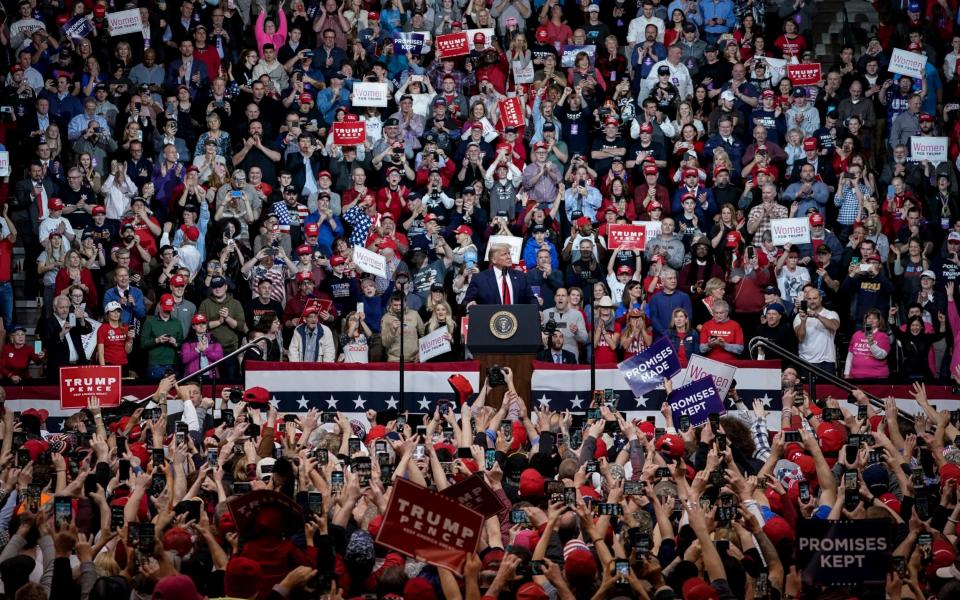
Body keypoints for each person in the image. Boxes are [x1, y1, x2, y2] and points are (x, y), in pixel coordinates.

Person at [463, 243, 537, 306]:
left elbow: (531, 298)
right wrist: (469, 304)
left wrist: (538, 310)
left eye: (509, 253)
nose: (508, 257)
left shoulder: (520, 276)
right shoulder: (479, 279)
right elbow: (467, 301)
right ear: (493, 260)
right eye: (504, 254)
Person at [793, 286, 840, 374]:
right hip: (805, 361)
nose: (812, 301)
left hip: (827, 361)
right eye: (809, 299)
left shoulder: (831, 314)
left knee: (827, 388)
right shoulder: (799, 316)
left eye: (815, 298)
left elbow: (834, 326)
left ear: (821, 298)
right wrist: (803, 322)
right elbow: (800, 338)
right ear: (806, 300)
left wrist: (817, 316)